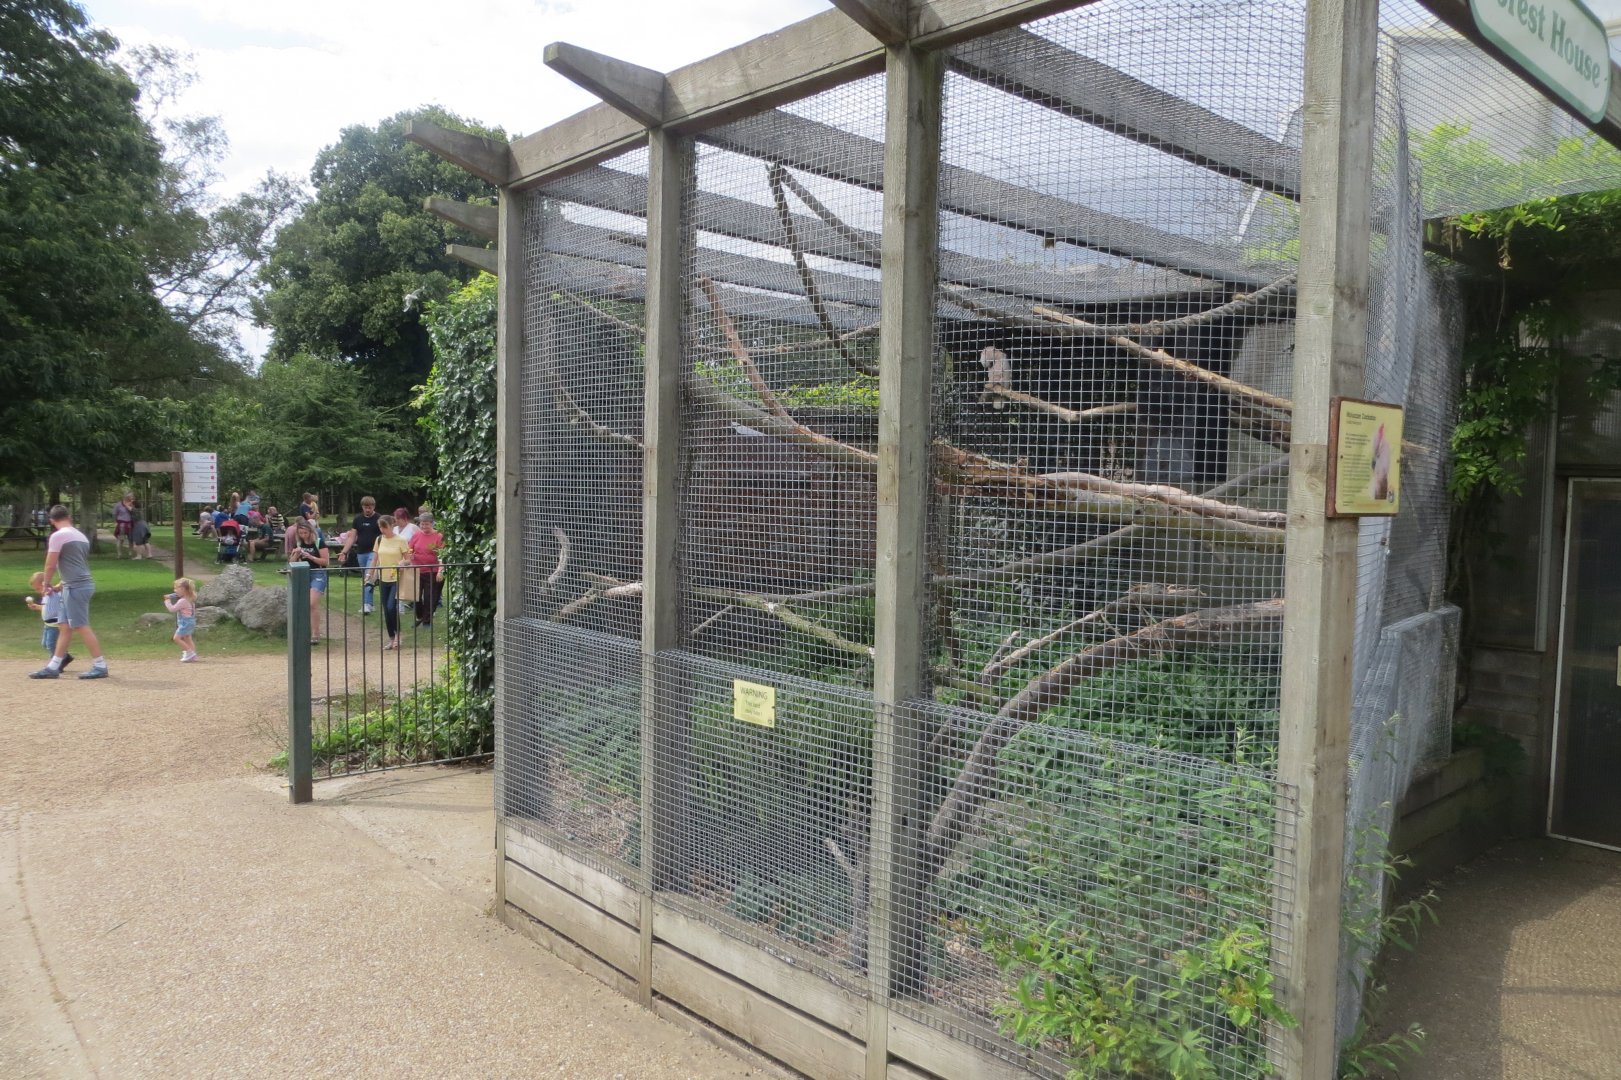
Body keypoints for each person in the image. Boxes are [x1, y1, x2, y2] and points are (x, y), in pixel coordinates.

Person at [30, 505, 108, 679]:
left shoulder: (58, 536)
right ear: (69, 517)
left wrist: (46, 584)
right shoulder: (81, 536)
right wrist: (60, 584)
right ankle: (53, 666)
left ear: (51, 521)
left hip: (75, 587)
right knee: (64, 626)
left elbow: (50, 564)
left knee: (80, 626)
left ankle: (100, 665)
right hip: (75, 585)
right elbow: (74, 564)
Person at [368, 515, 410, 650]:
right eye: (380, 527)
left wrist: (402, 562)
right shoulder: (379, 539)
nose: (382, 529)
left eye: (384, 527)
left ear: (392, 526)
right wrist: (369, 574)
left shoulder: (401, 540)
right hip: (383, 578)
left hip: (396, 578)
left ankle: (398, 635)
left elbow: (408, 559)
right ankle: (391, 637)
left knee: (392, 606)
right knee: (386, 609)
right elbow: (375, 559)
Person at [288, 517, 330, 645]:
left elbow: (326, 562)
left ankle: (315, 633)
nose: (303, 535)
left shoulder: (319, 542)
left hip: (318, 573)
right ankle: (305, 631)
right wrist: (295, 554)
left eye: (305, 533)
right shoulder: (299, 544)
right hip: (303, 574)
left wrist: (310, 556)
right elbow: (291, 563)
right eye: (300, 533)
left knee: (312, 603)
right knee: (303, 605)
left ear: (311, 532)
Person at [341, 496, 383, 614]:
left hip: (374, 552)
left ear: (373, 507)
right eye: (365, 507)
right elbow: (352, 537)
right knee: (366, 577)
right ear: (362, 507)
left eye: (369, 507)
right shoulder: (358, 519)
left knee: (368, 576)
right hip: (361, 552)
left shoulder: (379, 518)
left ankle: (367, 605)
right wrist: (344, 552)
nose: (367, 510)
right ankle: (370, 603)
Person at [408, 510, 444, 628]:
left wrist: (440, 571)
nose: (424, 526)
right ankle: (420, 616)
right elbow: (409, 549)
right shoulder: (416, 535)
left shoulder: (439, 536)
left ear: (432, 523)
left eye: (426, 524)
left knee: (429, 597)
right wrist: (410, 555)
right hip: (417, 570)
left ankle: (427, 621)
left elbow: (442, 555)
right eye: (422, 524)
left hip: (432, 571)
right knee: (416, 597)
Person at [25, 571, 67, 664]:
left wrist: (50, 587)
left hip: (54, 624)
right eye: (36, 589)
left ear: (45, 584)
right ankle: (64, 655)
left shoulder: (52, 593)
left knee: (51, 644)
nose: (38, 591)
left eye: (38, 588)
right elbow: (47, 608)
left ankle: (57, 662)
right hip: (47, 624)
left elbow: (63, 583)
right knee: (44, 644)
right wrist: (37, 607)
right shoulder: (46, 596)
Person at [164, 578, 199, 662]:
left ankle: (189, 652)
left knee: (176, 638)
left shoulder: (182, 601)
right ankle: (193, 655)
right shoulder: (189, 599)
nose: (174, 590)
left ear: (183, 589)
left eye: (176, 588)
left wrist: (167, 601)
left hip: (185, 622)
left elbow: (172, 609)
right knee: (187, 638)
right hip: (190, 621)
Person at [112, 492, 135, 558]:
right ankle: (119, 554)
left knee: (131, 539)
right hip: (122, 524)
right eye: (130, 496)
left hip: (130, 523)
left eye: (132, 496)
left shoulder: (132, 504)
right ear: (126, 497)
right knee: (121, 539)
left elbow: (135, 512)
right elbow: (114, 514)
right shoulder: (118, 505)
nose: (132, 498)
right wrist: (117, 521)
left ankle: (130, 553)